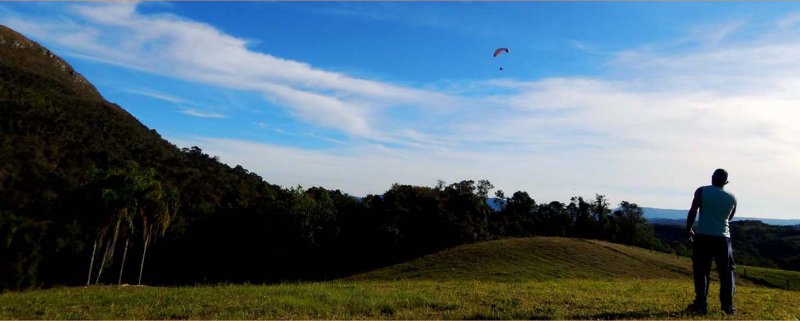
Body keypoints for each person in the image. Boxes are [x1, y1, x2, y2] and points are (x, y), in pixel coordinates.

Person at [685, 168, 737, 315]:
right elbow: (730, 217)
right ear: (726, 182)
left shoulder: (702, 191)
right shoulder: (732, 197)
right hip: (723, 238)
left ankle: (700, 304)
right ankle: (728, 307)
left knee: (701, 271)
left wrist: (689, 229)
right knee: (726, 273)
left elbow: (693, 210)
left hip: (703, 236)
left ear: (712, 178)